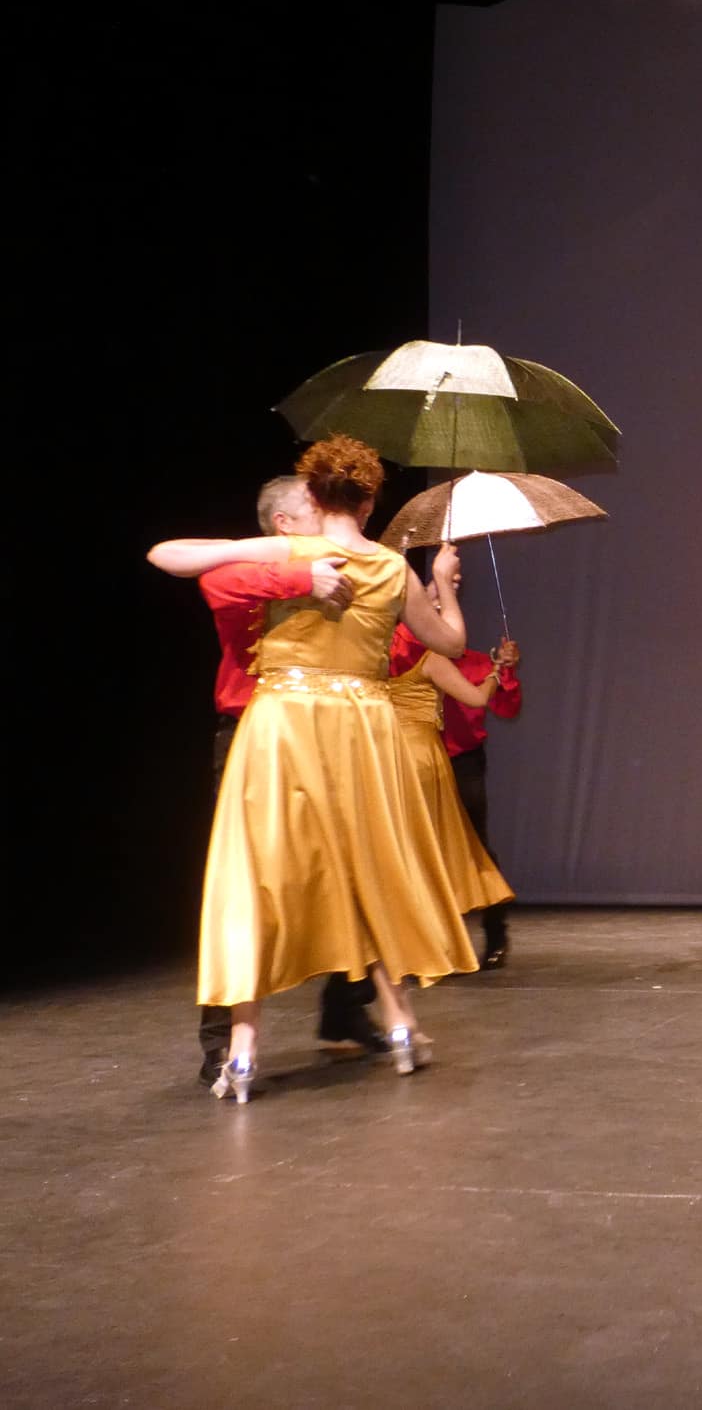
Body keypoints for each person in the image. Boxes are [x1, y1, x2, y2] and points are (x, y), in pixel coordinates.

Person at [147, 435, 483, 1103]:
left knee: (258, 873)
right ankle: (400, 1023)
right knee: (366, 868)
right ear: (369, 499)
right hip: (362, 727)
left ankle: (242, 1052)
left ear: (316, 494)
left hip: (283, 724)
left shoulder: (287, 550)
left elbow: (167, 555)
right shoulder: (390, 567)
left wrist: (281, 559)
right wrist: (444, 585)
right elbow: (450, 642)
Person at [191, 475, 386, 1084]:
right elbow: (206, 577)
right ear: (284, 524)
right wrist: (300, 578)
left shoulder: (344, 566)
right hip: (254, 737)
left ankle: (345, 1007)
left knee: (349, 869)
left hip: (323, 735)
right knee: (246, 883)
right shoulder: (257, 568)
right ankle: (222, 1040)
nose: (328, 516)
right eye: (315, 509)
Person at [390, 563, 524, 968]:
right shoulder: (396, 650)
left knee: (470, 846)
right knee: (412, 850)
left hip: (458, 762)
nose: (444, 592)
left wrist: (502, 670)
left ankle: (494, 929)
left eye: (451, 588)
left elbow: (504, 706)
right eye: (437, 587)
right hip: (411, 761)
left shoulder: (468, 659)